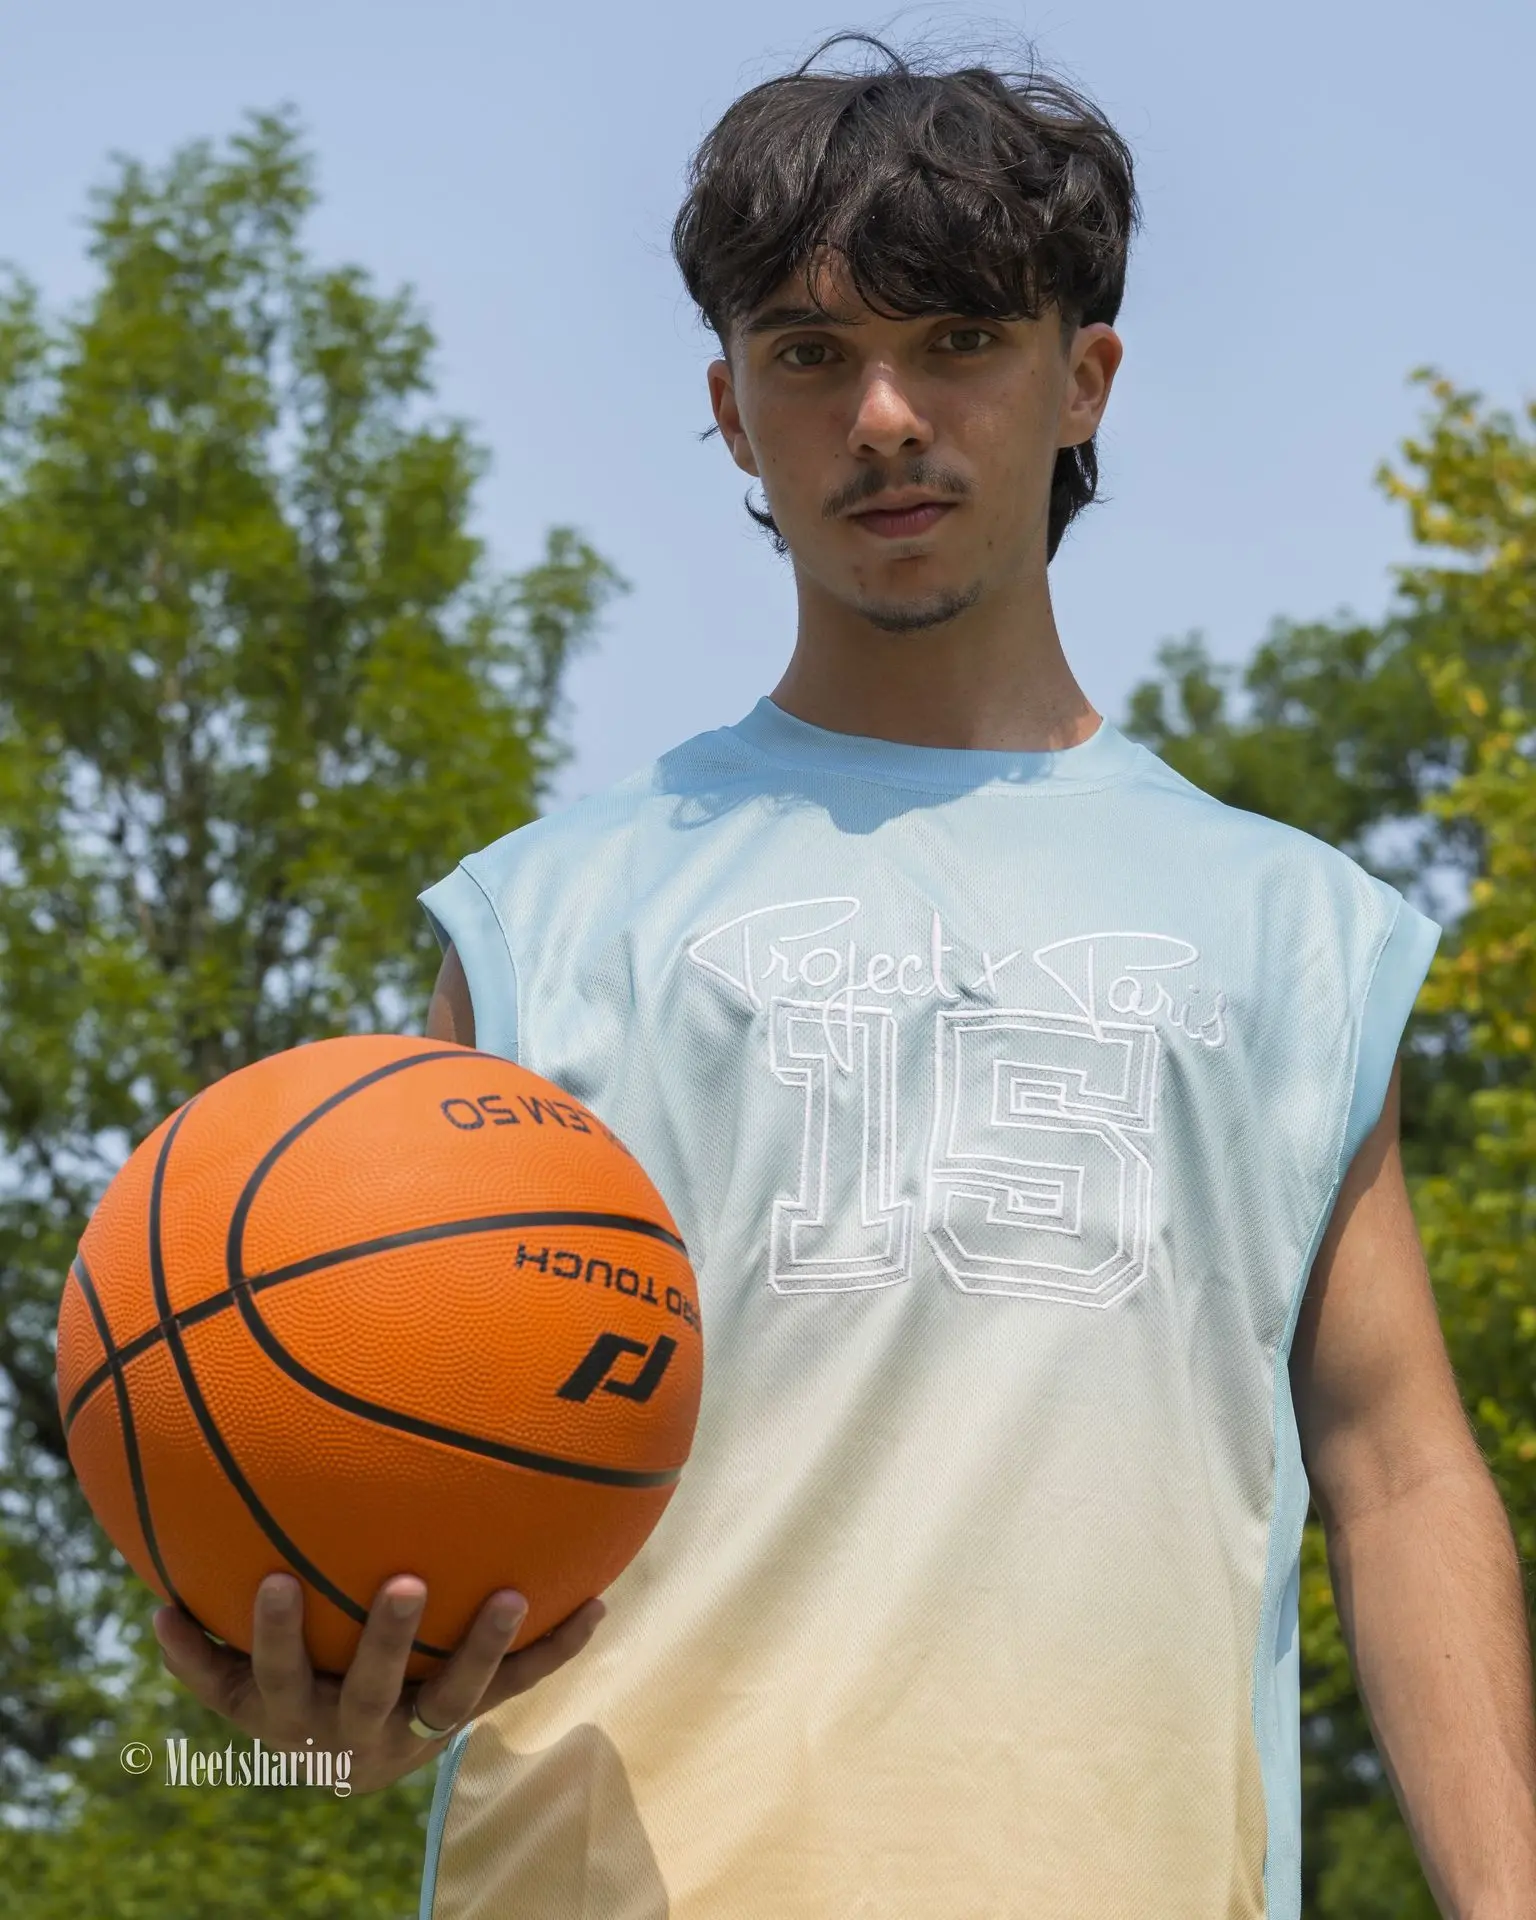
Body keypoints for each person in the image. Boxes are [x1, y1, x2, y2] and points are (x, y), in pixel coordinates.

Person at [154, 32, 1536, 1920]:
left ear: (1084, 379)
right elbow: (411, 1465)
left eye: (959, 339)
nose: (884, 414)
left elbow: (1395, 1472)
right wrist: (330, 1704)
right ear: (732, 408)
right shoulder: (550, 919)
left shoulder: (1297, 931)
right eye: (809, 354)